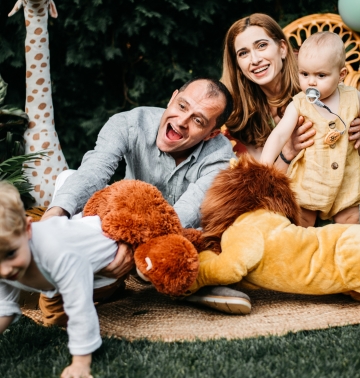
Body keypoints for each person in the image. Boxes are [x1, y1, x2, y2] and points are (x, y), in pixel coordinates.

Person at [40, 77, 251, 315]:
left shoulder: (221, 158)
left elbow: (185, 213)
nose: (182, 121)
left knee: (214, 241)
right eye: (182, 106)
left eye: (198, 120)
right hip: (125, 224)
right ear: (172, 98)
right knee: (68, 178)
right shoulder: (129, 123)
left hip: (172, 238)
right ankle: (69, 261)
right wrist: (54, 214)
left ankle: (188, 282)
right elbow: (94, 171)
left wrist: (133, 249)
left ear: (211, 134)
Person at [221, 13, 360, 226]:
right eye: (243, 53)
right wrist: (288, 153)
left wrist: (355, 131)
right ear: (237, 64)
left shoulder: (320, 78)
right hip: (306, 189)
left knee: (351, 231)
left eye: (261, 45)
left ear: (282, 48)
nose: (255, 59)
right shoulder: (244, 114)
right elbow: (267, 179)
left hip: (349, 181)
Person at [260, 32, 360, 227]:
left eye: (321, 75)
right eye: (304, 74)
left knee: (350, 222)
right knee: (302, 220)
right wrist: (264, 165)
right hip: (309, 180)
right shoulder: (298, 104)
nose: (311, 82)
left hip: (346, 180)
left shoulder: (353, 97)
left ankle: (347, 244)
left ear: (341, 75)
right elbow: (279, 135)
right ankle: (304, 242)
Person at [0, 181, 119, 378]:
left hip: (109, 244)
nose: (5, 271)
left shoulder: (56, 252)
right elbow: (3, 306)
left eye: (11, 253)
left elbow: (79, 306)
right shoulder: (5, 262)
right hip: (74, 245)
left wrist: (81, 362)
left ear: (28, 229)